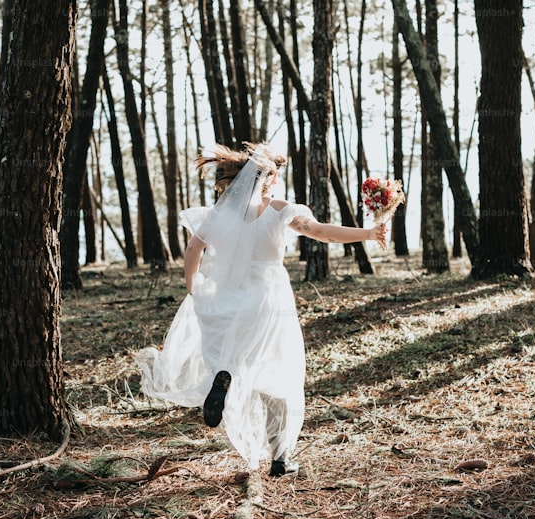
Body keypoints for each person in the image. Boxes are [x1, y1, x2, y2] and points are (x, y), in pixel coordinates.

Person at [135, 142, 387, 477]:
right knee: (280, 375)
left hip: (226, 297)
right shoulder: (280, 209)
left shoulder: (220, 215)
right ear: (266, 179)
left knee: (229, 357)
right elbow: (321, 233)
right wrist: (368, 233)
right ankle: (280, 458)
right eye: (275, 175)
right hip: (268, 299)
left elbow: (194, 246)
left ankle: (223, 376)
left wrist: (195, 288)